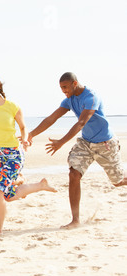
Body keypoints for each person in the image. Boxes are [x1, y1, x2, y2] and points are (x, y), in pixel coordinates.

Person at [28, 72, 127, 229]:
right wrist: (31, 134)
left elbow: (81, 122)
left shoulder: (91, 97)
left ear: (74, 83)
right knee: (74, 174)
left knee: (118, 182)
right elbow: (51, 118)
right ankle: (75, 220)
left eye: (65, 87)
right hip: (86, 143)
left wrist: (61, 142)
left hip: (105, 143)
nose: (64, 91)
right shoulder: (69, 100)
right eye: (61, 88)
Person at [0, 76, 57, 237]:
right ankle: (40, 185)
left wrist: (26, 139)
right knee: (8, 195)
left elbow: (23, 127)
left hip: (13, 154)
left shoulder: (12, 107)